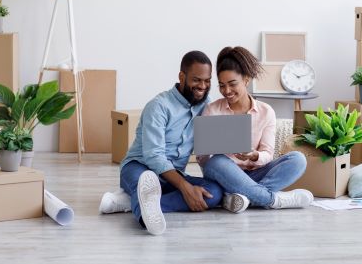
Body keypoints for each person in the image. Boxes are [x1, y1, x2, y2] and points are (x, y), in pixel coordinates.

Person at [109, 51, 223, 236]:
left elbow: (210, 146)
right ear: (181, 76)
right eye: (196, 80)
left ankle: (137, 203)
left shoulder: (206, 105)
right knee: (144, 181)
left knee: (214, 192)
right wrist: (185, 187)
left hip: (172, 175)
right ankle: (145, 214)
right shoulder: (159, 106)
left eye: (207, 80)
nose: (203, 86)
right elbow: (153, 156)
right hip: (140, 167)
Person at [197, 46, 313, 213]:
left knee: (298, 159)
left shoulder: (266, 111)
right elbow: (204, 161)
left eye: (232, 84)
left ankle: (241, 197)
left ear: (246, 79)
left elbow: (267, 153)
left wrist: (254, 155)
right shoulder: (212, 110)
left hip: (257, 173)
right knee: (216, 162)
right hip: (225, 175)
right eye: (222, 86)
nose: (226, 91)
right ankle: (273, 199)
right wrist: (207, 150)